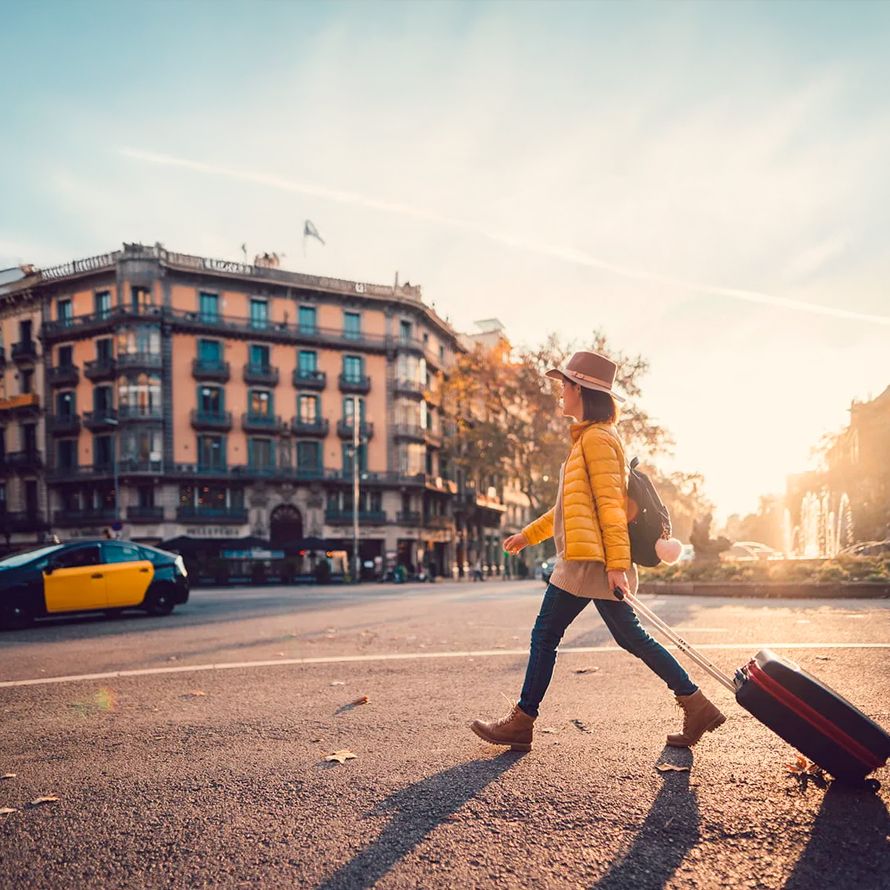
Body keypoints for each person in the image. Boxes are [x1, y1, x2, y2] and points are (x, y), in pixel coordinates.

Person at [470, 351, 725, 752]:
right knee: (630, 638)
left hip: (589, 562)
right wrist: (528, 535)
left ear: (581, 391)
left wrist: (617, 565)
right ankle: (696, 704)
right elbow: (569, 506)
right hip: (589, 559)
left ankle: (522, 722)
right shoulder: (590, 439)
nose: (559, 393)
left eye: (564, 385)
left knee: (546, 634)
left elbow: (610, 506)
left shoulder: (599, 440)